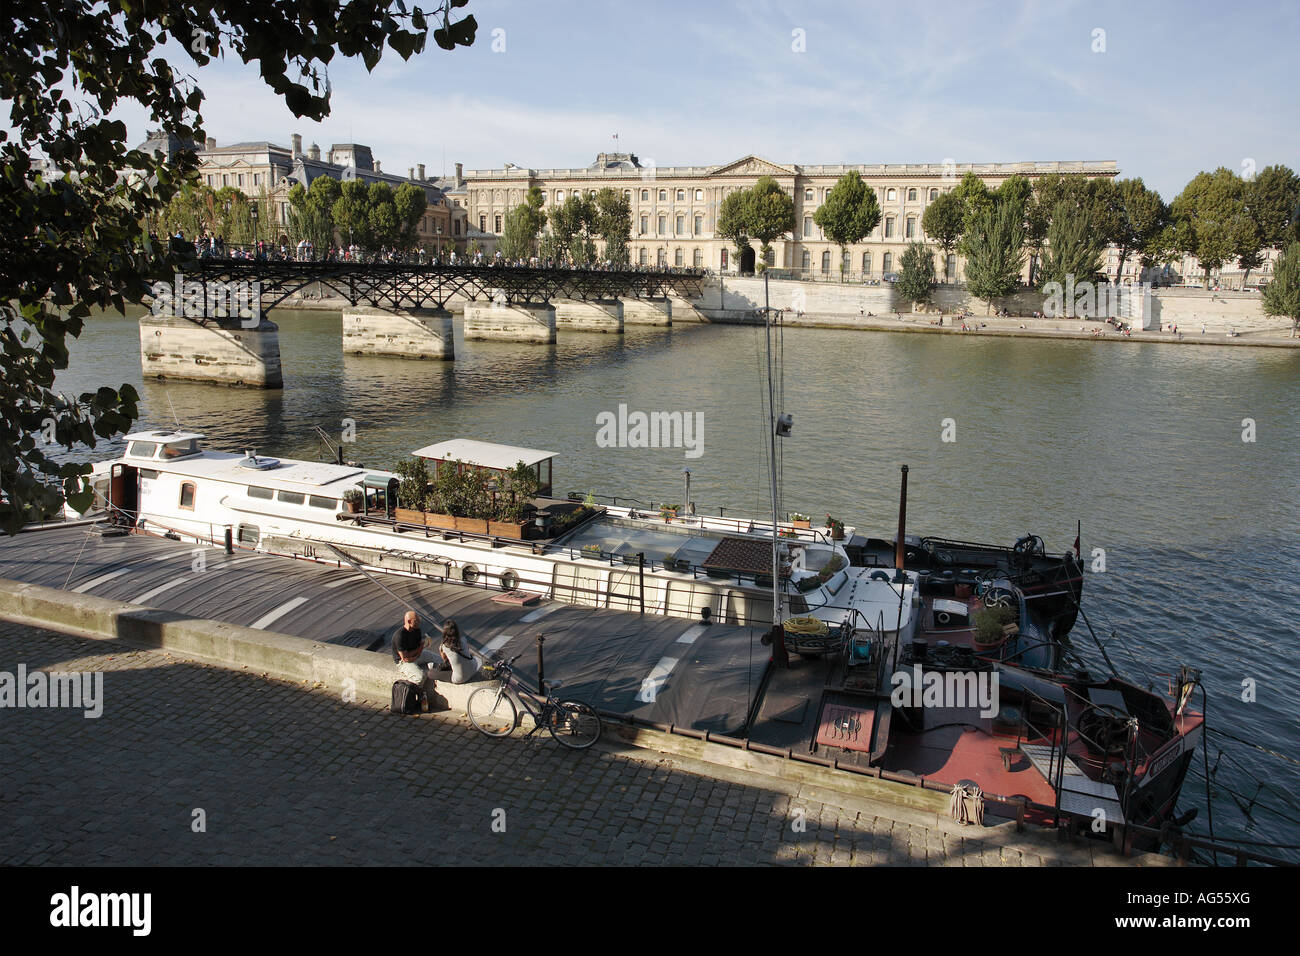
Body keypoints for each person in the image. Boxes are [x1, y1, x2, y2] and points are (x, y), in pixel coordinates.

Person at [392, 610, 439, 705]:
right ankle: (413, 694)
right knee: (420, 676)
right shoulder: (399, 636)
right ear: (409, 621)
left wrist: (420, 650)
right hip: (403, 662)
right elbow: (405, 657)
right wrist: (420, 649)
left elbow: (417, 650)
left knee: (439, 659)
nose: (419, 622)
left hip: (416, 655)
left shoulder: (417, 630)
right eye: (417, 621)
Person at [438, 620, 480, 684]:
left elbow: (444, 660)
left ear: (445, 632)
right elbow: (467, 652)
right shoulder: (463, 639)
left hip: (460, 679)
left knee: (432, 673)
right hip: (474, 668)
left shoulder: (443, 647)